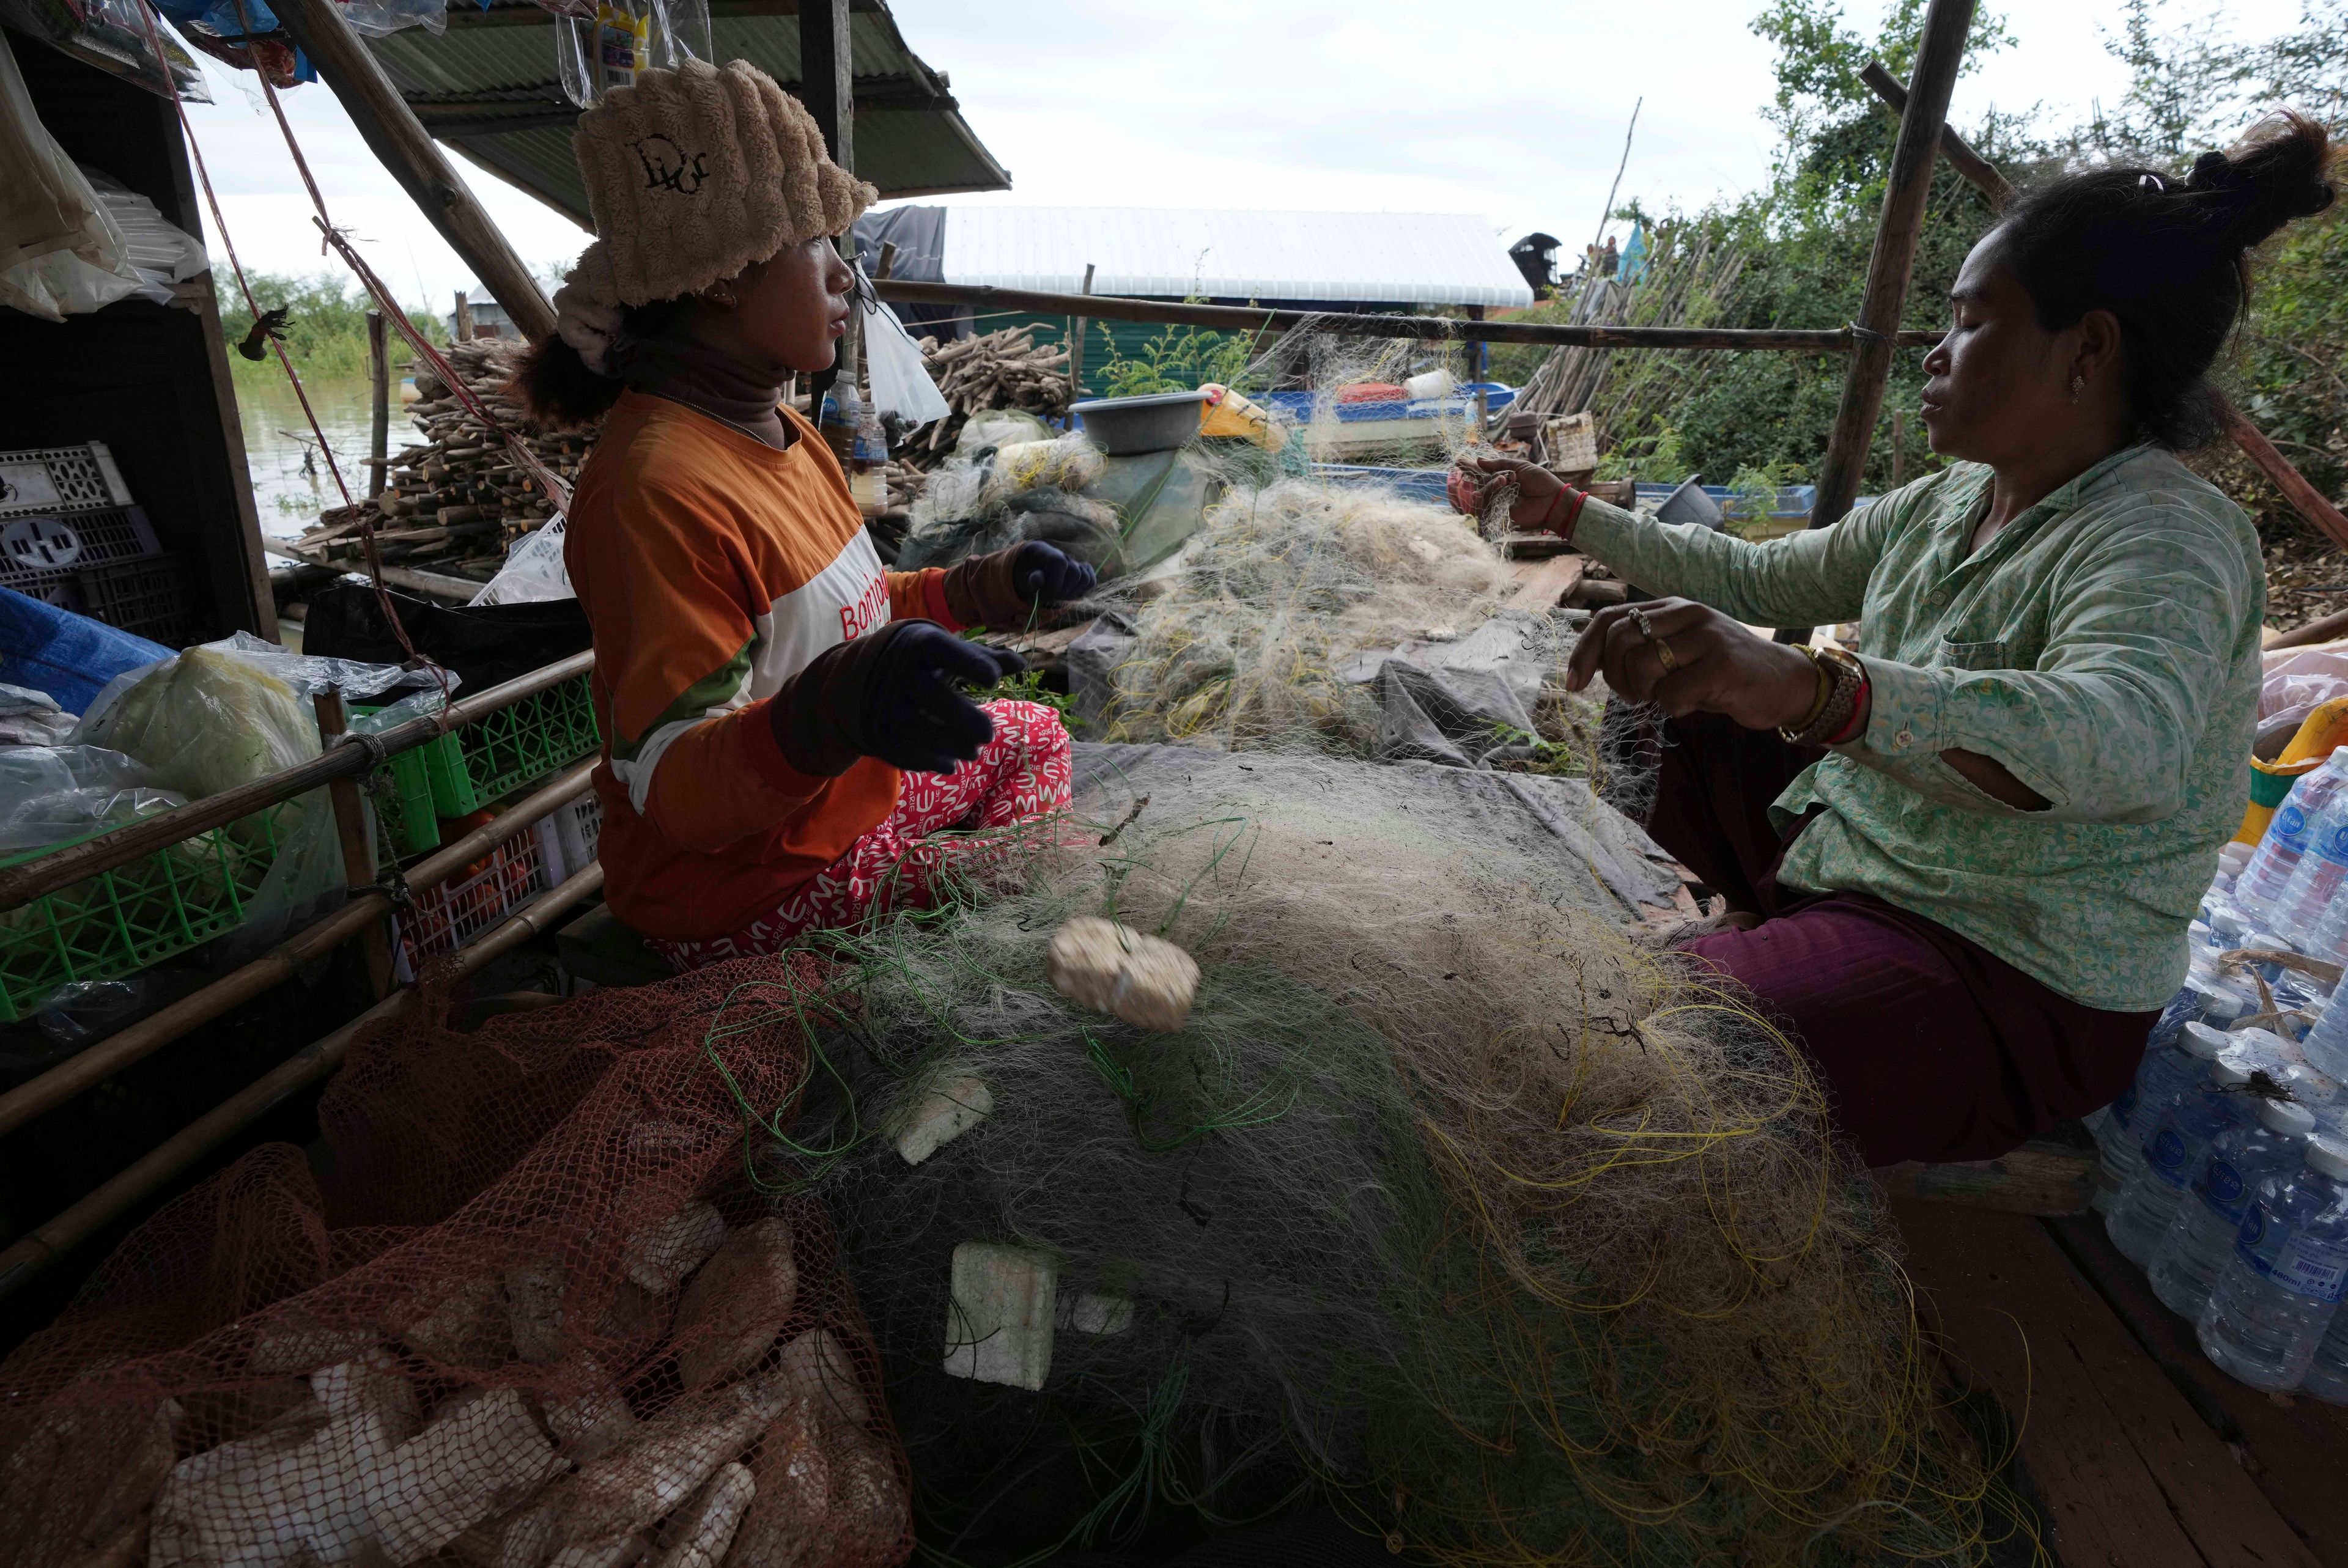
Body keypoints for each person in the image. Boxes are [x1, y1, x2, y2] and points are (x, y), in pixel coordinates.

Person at [1452, 112, 2336, 1165]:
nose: (1935, 350)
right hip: (1874, 864)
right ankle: (1785, 941)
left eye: (1969, 322)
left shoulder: (2164, 534)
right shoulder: (1949, 502)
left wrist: (1822, 691)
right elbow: (1752, 574)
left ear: (2087, 349)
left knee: (1647, 1042)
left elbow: (2120, 739)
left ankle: (1790, 978)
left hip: (2007, 968)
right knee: (1675, 706)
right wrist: (1569, 513)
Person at [514, 59, 1096, 969]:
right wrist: (829, 711)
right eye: (819, 242)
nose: (844, 275)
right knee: (1017, 891)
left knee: (1031, 733)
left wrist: (987, 586)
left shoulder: (784, 429)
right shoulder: (654, 489)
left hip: (831, 814)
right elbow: (674, 783)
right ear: (723, 276)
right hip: (740, 890)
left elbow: (853, 610)